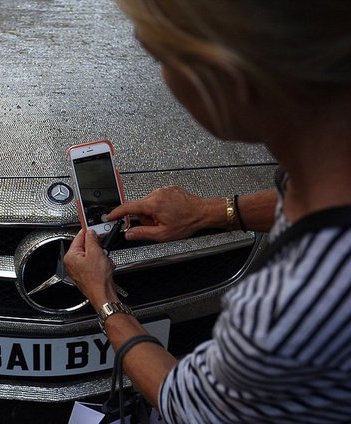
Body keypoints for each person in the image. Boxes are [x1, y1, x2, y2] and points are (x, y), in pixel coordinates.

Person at [64, 1, 351, 422]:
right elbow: (302, 201)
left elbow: (187, 403)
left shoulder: (286, 309)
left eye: (163, 59)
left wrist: (103, 299)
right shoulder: (328, 161)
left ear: (229, 82)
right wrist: (208, 213)